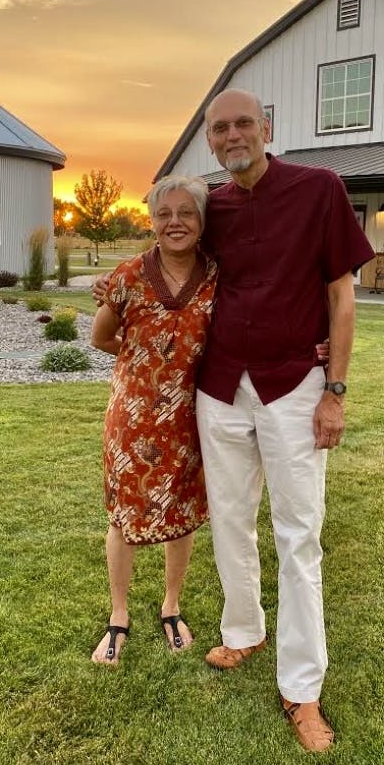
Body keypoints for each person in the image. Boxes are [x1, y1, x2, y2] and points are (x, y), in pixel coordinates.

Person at [95, 89, 374, 752]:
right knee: (229, 520)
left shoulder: (319, 189)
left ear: (267, 129)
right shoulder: (209, 207)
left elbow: (341, 298)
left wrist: (334, 388)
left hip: (294, 386)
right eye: (219, 128)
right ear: (211, 143)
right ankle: (243, 631)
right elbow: (168, 253)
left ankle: (302, 687)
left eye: (243, 122)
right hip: (220, 388)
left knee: (299, 533)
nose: (232, 134)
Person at [89, 175, 217, 664]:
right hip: (132, 418)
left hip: (188, 417)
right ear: (152, 221)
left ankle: (171, 605)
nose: (175, 222)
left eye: (186, 212)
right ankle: (118, 614)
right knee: (125, 515)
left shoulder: (217, 275)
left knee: (179, 512)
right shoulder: (126, 276)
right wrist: (144, 362)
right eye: (164, 214)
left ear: (202, 221)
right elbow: (101, 338)